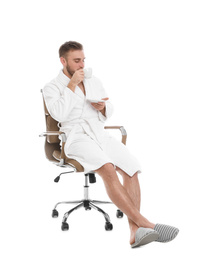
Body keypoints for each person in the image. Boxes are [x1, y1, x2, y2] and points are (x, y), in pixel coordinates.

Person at [43, 41, 179, 248]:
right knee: (108, 168)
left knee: (131, 168)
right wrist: (71, 86)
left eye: (83, 60)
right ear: (63, 61)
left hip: (100, 134)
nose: (81, 65)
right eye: (76, 61)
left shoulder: (93, 80)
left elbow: (109, 108)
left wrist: (103, 107)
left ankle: (135, 232)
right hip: (76, 137)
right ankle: (146, 223)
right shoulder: (51, 87)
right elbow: (59, 114)